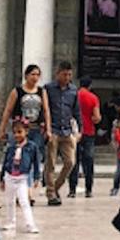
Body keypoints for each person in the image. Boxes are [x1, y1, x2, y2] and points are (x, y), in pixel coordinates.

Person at [0, 64, 50, 189]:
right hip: (19, 130)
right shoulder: (17, 91)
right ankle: (13, 184)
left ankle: (28, 188)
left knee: (34, 158)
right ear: (26, 75)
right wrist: (2, 128)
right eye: (33, 74)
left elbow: (46, 110)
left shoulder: (41, 91)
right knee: (15, 156)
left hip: (36, 129)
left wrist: (48, 128)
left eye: (38, 75)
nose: (35, 77)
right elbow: (8, 110)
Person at [43, 61, 79, 206]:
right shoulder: (48, 89)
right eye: (64, 74)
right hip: (53, 130)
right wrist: (47, 129)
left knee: (70, 162)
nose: (67, 77)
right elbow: (45, 109)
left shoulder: (73, 90)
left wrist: (79, 129)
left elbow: (76, 111)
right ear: (57, 74)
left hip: (67, 130)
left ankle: (54, 187)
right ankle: (51, 194)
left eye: (69, 75)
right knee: (50, 163)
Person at [0, 119, 41, 234]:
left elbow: (36, 163)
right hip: (10, 176)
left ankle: (30, 224)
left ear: (26, 132)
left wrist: (37, 177)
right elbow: (5, 163)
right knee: (9, 201)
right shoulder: (11, 147)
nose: (17, 135)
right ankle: (10, 221)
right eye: (15, 132)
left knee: (24, 201)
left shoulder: (32, 147)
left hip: (22, 178)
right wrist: (2, 178)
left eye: (19, 132)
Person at [68, 76, 102, 198]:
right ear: (90, 85)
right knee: (88, 161)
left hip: (74, 132)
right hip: (89, 132)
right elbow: (97, 117)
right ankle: (88, 189)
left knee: (73, 161)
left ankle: (72, 189)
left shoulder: (74, 96)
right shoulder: (93, 98)